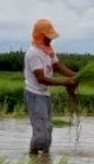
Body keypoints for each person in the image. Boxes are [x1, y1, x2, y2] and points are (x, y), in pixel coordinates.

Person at [24, 18, 79, 156]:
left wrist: (77, 76)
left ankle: (44, 161)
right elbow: (41, 78)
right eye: (48, 37)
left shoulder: (48, 50)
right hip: (35, 95)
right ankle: (33, 156)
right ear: (40, 36)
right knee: (40, 129)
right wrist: (66, 82)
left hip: (44, 95)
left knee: (48, 128)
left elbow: (57, 66)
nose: (51, 39)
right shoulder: (33, 53)